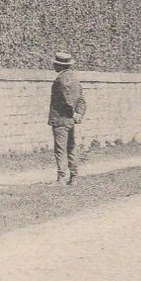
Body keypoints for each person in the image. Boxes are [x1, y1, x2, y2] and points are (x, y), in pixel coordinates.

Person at [48, 50, 86, 185]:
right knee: (71, 148)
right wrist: (78, 113)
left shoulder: (61, 79)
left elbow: (66, 97)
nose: (53, 66)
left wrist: (71, 111)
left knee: (60, 149)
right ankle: (74, 177)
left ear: (60, 66)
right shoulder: (75, 78)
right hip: (71, 121)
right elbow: (81, 98)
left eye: (55, 64)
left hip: (60, 119)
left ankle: (61, 178)